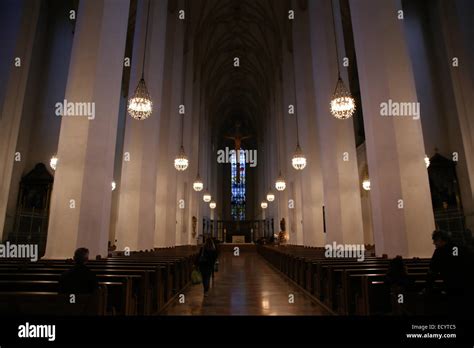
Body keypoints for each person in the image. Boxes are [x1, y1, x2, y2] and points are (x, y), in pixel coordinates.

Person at [425, 230, 474, 316]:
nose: (434, 243)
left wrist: (428, 287)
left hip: (451, 288)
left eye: (435, 240)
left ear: (440, 239)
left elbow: (432, 272)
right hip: (468, 288)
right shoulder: (463, 248)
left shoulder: (439, 252)